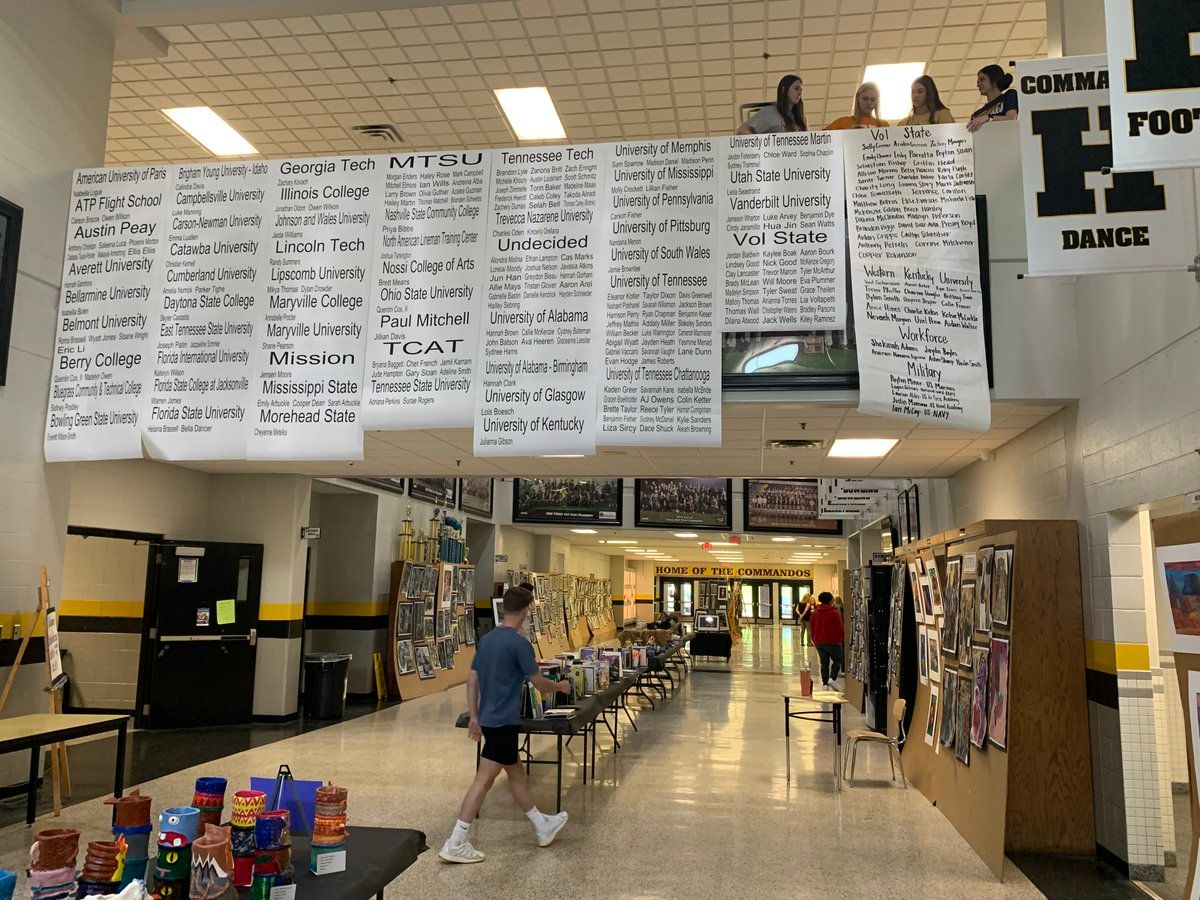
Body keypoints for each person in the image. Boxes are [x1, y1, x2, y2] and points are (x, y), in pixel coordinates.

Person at [440, 585, 571, 864]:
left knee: (516, 773)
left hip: (490, 719)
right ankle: (456, 841)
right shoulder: (519, 644)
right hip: (503, 721)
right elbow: (539, 683)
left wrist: (474, 717)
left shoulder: (487, 640)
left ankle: (541, 825)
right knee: (483, 780)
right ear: (525, 611)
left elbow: (472, 680)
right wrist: (559, 685)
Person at [737, 74, 807, 135]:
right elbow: (742, 131)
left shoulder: (800, 118)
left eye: (801, 90)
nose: (799, 93)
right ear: (783, 90)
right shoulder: (769, 112)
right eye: (796, 88)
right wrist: (761, 145)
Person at [809, 591, 845, 690]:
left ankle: (825, 684)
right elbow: (840, 627)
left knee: (824, 663)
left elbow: (812, 627)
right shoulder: (834, 612)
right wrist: (841, 638)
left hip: (819, 642)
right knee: (838, 660)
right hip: (833, 641)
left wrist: (813, 639)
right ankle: (832, 678)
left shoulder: (815, 613)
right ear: (830, 600)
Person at [966, 64, 1017, 133]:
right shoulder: (976, 115)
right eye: (978, 82)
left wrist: (989, 118)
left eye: (982, 80)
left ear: (994, 81)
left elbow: (1011, 118)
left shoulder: (1009, 95)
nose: (978, 85)